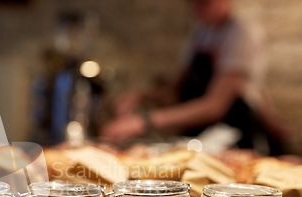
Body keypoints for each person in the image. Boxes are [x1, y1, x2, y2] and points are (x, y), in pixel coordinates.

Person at [102, 0, 291, 155]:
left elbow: (215, 106)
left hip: (233, 136)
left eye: (205, 3)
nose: (197, 8)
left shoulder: (241, 34)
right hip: (201, 135)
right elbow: (174, 89)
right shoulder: (201, 34)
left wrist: (144, 122)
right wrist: (139, 96)